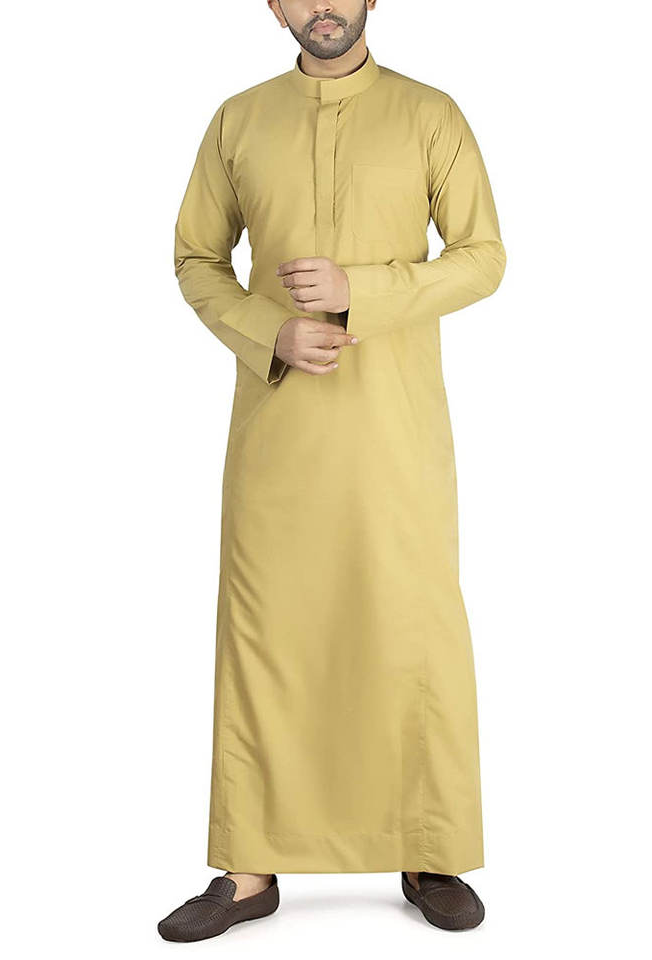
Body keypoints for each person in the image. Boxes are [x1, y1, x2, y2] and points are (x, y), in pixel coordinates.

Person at [158, 0, 506, 940]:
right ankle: (248, 868)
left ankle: (429, 847)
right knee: (267, 634)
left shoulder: (431, 115)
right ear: (274, 4)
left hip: (396, 434)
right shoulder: (239, 121)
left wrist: (365, 292)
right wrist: (269, 330)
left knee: (410, 628)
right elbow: (195, 258)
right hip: (277, 434)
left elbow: (483, 259)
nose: (325, 6)